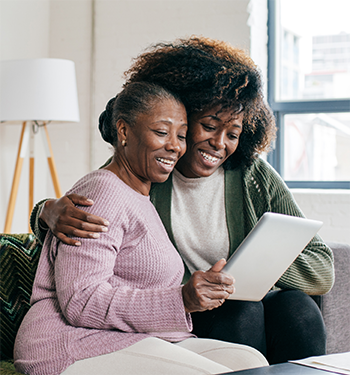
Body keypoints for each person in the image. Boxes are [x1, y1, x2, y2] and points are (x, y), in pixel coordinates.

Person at [30, 36, 335, 365]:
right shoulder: (151, 171)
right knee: (243, 311)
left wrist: (255, 264)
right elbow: (99, 198)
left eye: (232, 134)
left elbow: (322, 268)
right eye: (208, 126)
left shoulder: (252, 177)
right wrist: (46, 210)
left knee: (298, 309)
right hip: (184, 309)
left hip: (226, 300)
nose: (219, 144)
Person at [14, 82, 269, 375]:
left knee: (250, 363)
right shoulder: (102, 192)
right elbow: (80, 301)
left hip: (132, 338)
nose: (174, 145)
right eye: (162, 132)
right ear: (124, 131)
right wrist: (181, 299)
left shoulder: (141, 198)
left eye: (181, 135)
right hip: (69, 344)